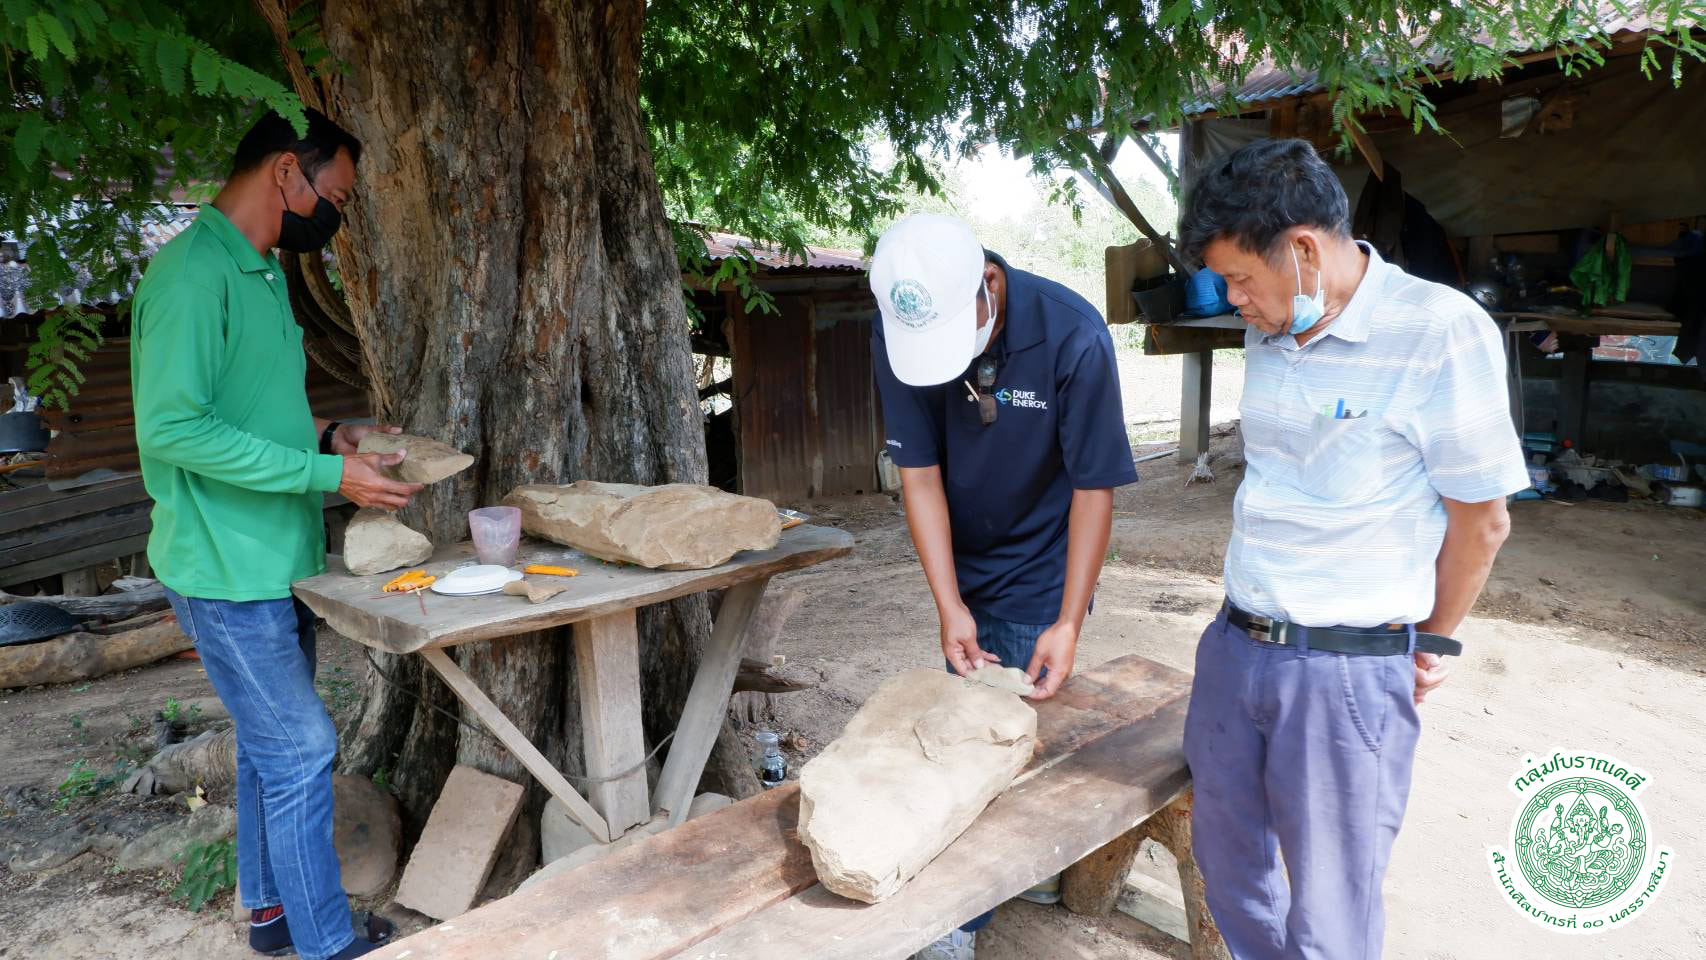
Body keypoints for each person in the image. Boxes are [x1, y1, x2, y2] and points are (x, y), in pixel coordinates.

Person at [1175, 138, 1529, 959]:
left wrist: (1433, 637)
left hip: (1343, 670)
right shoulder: (1271, 327)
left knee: (1331, 910)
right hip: (1235, 645)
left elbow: (1482, 520)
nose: (1233, 300)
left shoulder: (1439, 331)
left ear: (1303, 250)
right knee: (1230, 869)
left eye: (1239, 279)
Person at [131, 109, 421, 960]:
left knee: (268, 752)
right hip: (222, 568)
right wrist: (330, 477)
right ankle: (326, 944)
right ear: (287, 171)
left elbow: (250, 414)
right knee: (301, 749)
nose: (337, 215)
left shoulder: (258, 273)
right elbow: (173, 430)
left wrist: (334, 436)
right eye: (337, 196)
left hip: (273, 560)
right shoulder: (192, 277)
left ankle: (269, 917)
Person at [869, 214, 1138, 960]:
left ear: (990, 283)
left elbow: (1093, 488)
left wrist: (1068, 620)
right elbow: (919, 476)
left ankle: (965, 918)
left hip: (1043, 561)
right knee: (966, 722)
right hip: (964, 552)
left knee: (1010, 720)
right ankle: (985, 894)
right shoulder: (902, 324)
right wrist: (950, 604)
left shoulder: (1073, 336)